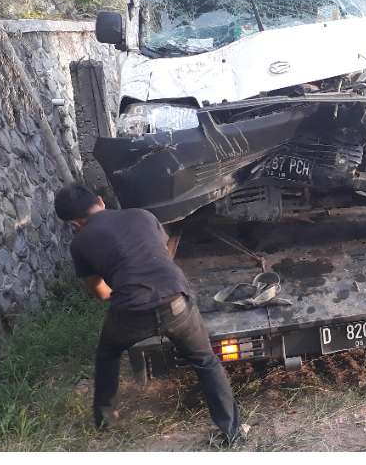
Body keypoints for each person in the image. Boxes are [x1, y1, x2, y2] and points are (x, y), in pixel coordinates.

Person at [53, 184, 246, 443]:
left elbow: (99, 292)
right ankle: (233, 433)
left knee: (107, 353)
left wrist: (126, 289)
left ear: (74, 223)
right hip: (177, 304)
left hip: (131, 314)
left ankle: (105, 421)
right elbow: (165, 252)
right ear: (100, 200)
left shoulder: (80, 242)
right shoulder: (142, 215)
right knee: (206, 362)